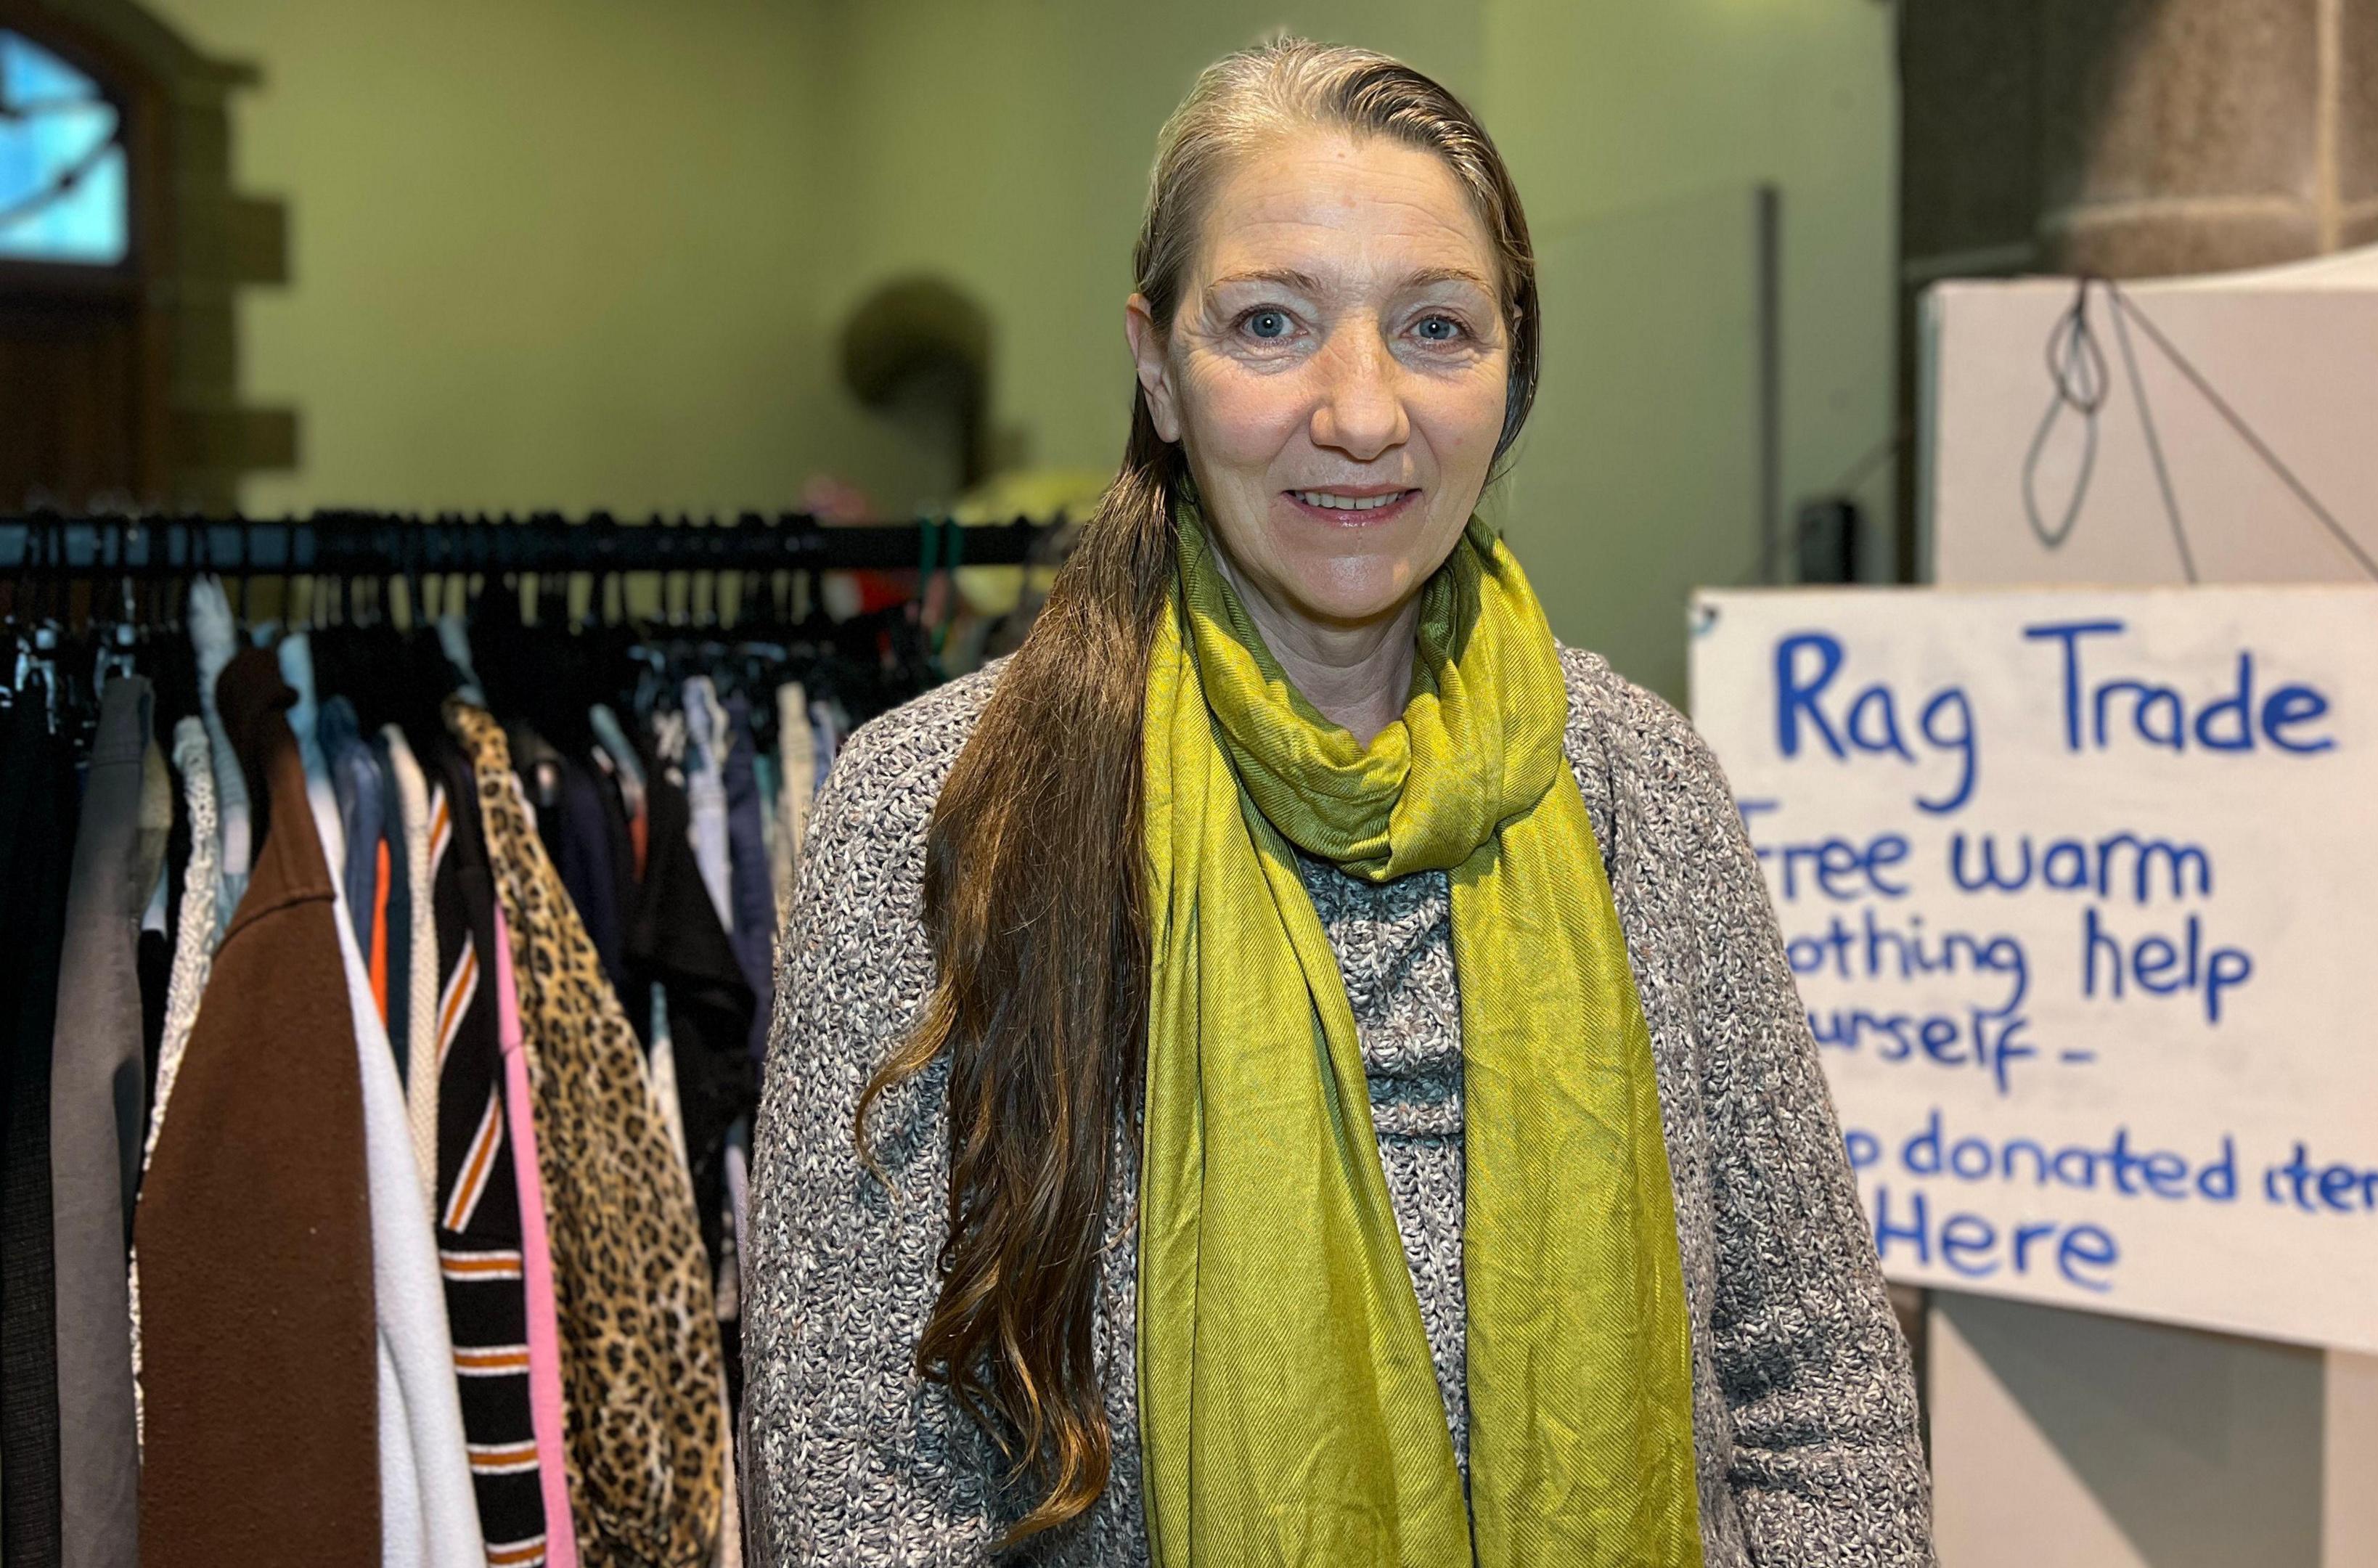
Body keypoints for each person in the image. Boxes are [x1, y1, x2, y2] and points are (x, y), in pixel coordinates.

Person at [746, 38, 1932, 1567]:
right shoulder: (943, 806)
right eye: (1269, 324)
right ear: (1158, 369)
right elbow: (862, 1467)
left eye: (1436, 327)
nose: (1362, 412)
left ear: (1511, 379)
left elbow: (1815, 1383)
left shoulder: (1643, 792)